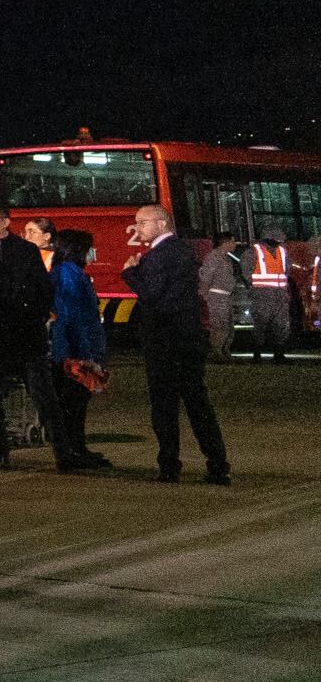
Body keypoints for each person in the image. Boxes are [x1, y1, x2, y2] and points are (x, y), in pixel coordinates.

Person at [121, 201, 234, 486]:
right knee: (197, 403)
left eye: (143, 222)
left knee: (164, 406)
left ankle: (169, 465)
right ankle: (217, 463)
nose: (137, 228)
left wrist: (130, 273)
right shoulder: (182, 250)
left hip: (165, 342)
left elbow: (152, 294)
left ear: (162, 224)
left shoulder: (160, 255)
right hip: (187, 339)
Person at [0, 202, 55, 467]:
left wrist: (37, 317)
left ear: (5, 221)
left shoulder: (26, 250)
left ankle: (64, 450)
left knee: (44, 396)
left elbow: (43, 288)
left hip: (26, 337)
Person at [46, 229, 113, 472]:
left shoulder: (68, 272)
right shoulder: (68, 274)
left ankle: (77, 448)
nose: (92, 253)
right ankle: (72, 450)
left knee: (75, 403)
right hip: (74, 350)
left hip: (74, 347)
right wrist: (85, 354)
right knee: (73, 403)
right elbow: (72, 316)